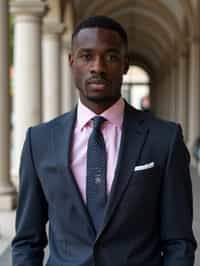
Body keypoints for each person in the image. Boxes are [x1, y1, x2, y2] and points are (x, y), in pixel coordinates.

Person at [12, 16, 197, 266]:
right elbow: (27, 241)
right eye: (87, 56)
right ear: (71, 62)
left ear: (125, 64)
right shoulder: (40, 141)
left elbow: (179, 241)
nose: (97, 67)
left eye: (110, 56)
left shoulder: (165, 139)